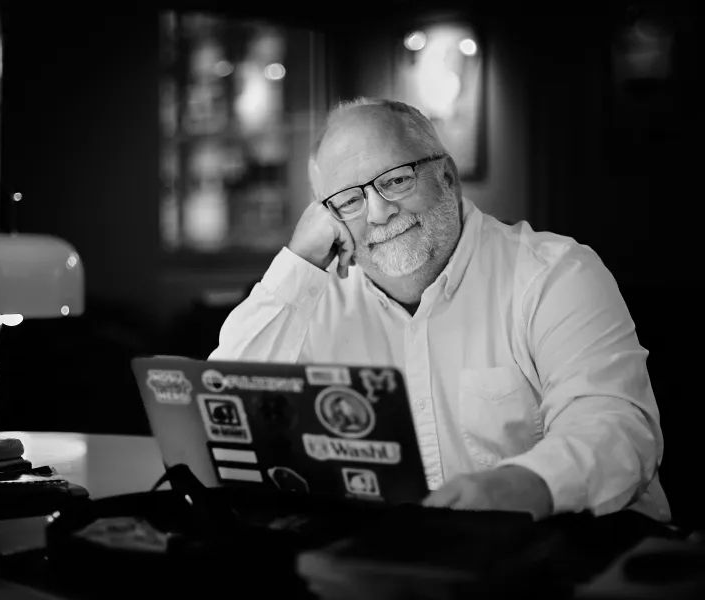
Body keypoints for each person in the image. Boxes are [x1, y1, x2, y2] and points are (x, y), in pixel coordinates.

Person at [209, 97, 670, 523]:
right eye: (348, 200)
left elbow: (616, 424)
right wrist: (298, 262)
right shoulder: (316, 295)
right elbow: (222, 411)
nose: (378, 213)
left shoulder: (556, 274)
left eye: (394, 180)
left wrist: (530, 484)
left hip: (574, 556)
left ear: (446, 175)